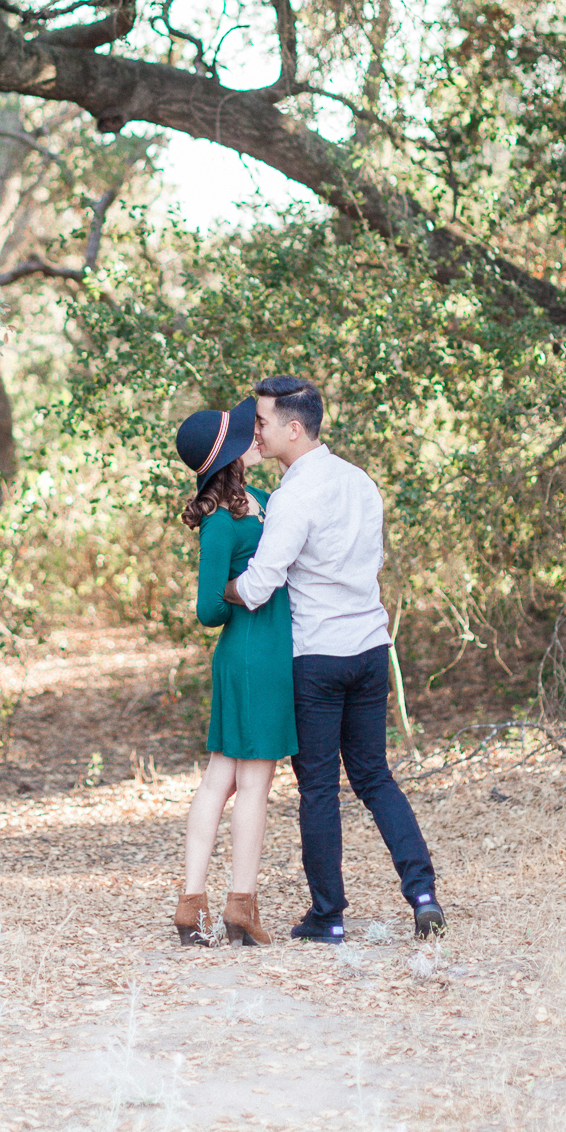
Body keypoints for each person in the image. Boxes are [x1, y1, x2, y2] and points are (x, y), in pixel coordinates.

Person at [224, 374, 445, 943]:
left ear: (294, 428)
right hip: (370, 648)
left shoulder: (296, 497)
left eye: (264, 423)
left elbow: (261, 584)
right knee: (375, 777)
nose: (258, 432)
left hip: (316, 658)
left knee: (319, 788)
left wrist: (223, 589)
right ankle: (422, 894)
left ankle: (328, 915)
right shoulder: (359, 482)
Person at [171, 396, 297, 950]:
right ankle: (236, 905)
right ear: (230, 454)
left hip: (260, 651)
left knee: (222, 775)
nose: (255, 434)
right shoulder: (222, 519)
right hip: (253, 653)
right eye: (244, 433)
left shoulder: (262, 502)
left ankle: (192, 904)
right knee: (251, 783)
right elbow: (206, 610)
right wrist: (237, 593)